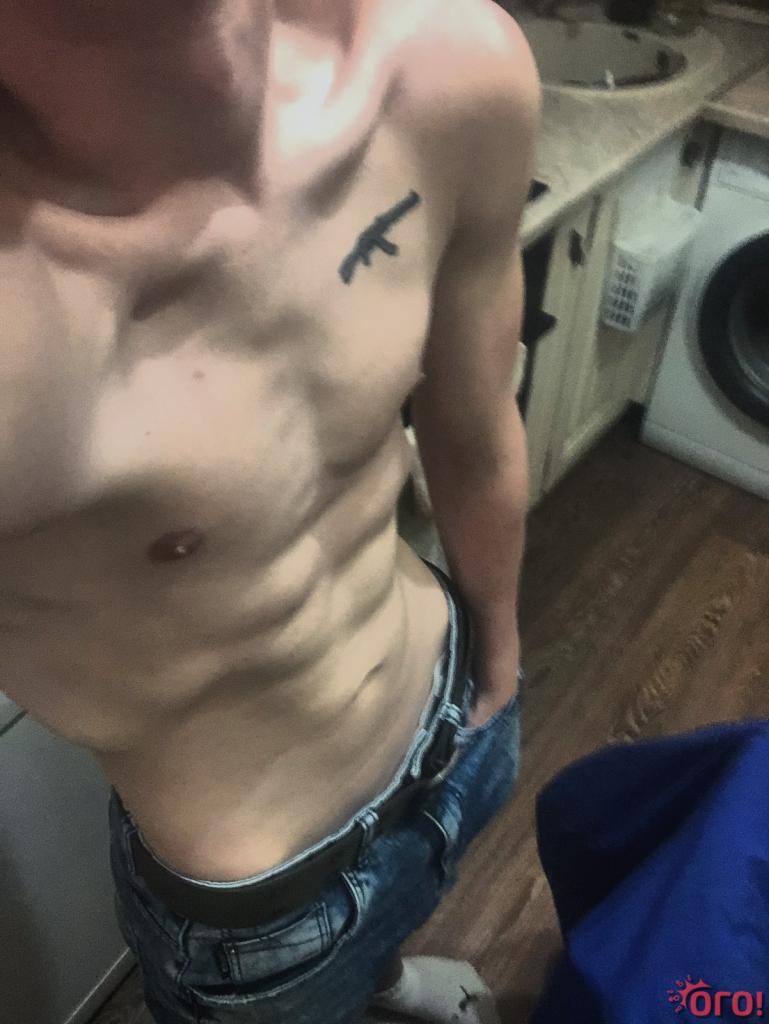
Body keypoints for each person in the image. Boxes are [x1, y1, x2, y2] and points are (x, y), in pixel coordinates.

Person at [0, 1, 539, 1021]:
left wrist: (499, 664)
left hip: (457, 716)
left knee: (396, 924)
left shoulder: (449, 65)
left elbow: (474, 429)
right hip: (266, 915)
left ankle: (385, 976)